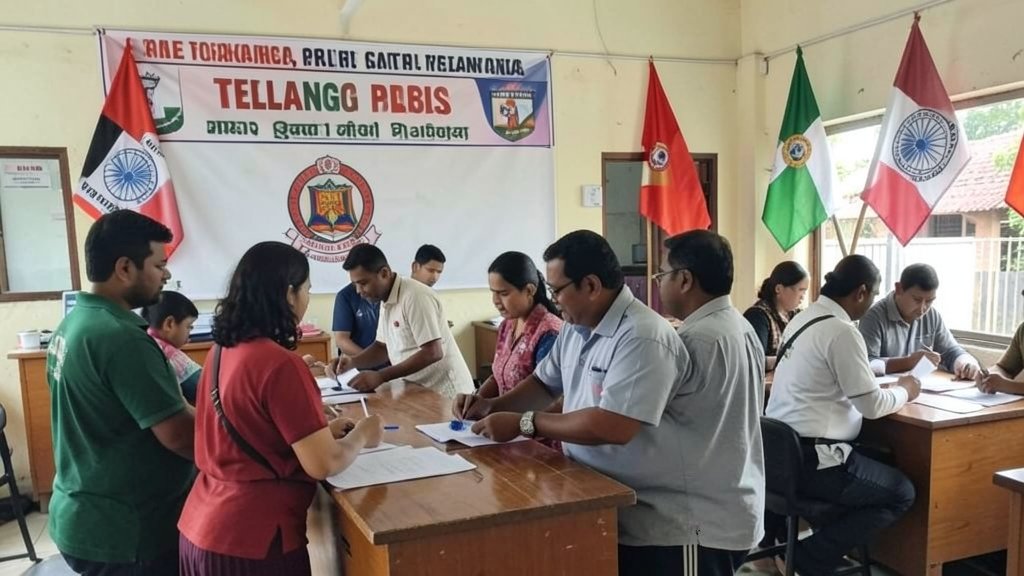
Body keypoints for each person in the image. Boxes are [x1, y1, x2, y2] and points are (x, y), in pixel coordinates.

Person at [453, 230, 703, 576]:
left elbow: (613, 426)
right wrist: (490, 405)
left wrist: (525, 422)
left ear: (590, 285)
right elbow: (543, 382)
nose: (553, 300)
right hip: (593, 495)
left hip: (654, 520)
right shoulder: (576, 326)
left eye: (557, 290)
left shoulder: (642, 336)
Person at [178, 241, 382, 575]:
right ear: (289, 294)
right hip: (253, 542)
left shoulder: (220, 351)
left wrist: (321, 433)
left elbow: (246, 430)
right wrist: (362, 434)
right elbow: (324, 463)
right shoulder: (280, 364)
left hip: (201, 527)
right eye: (307, 290)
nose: (307, 299)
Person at [46, 210, 195, 575]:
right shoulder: (121, 338)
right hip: (125, 532)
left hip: (82, 511)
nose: (167, 274)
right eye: (159, 264)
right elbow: (181, 436)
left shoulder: (75, 322)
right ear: (125, 267)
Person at [766, 255, 920, 575]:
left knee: (877, 462)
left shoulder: (803, 318)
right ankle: (811, 556)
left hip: (781, 459)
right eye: (874, 296)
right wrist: (906, 390)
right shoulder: (842, 331)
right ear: (861, 292)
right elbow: (872, 405)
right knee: (901, 492)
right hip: (817, 463)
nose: (872, 303)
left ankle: (820, 547)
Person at [654, 230, 766, 575]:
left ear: (684, 279)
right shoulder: (739, 326)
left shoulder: (693, 341)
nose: (658, 285)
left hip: (699, 520)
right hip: (731, 498)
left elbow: (644, 417)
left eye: (661, 275)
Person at [334, 244, 474, 398]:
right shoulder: (385, 299)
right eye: (355, 284)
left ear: (384, 273)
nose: (359, 291)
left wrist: (381, 376)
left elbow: (433, 352)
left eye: (363, 283)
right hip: (419, 391)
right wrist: (353, 363)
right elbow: (382, 348)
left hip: (447, 394)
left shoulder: (415, 296)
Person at [476, 251, 563, 447]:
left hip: (538, 440)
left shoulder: (550, 332)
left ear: (529, 290)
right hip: (503, 434)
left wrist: (519, 424)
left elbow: (551, 395)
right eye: (493, 292)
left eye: (504, 293)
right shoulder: (508, 325)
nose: (496, 300)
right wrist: (477, 400)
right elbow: (499, 375)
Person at [858, 263, 980, 379]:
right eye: (917, 299)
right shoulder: (873, 317)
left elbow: (951, 351)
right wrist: (908, 362)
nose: (922, 309)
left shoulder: (931, 315)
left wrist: (965, 363)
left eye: (929, 301)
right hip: (886, 395)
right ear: (899, 289)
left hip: (922, 393)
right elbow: (865, 364)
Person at [743, 261, 808, 371]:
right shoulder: (758, 316)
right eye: (800, 290)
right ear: (779, 289)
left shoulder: (797, 315)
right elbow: (754, 360)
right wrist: (792, 359)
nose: (803, 297)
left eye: (805, 292)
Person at [142, 290, 202, 404]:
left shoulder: (144, 341)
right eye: (189, 326)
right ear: (169, 324)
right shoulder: (169, 354)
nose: (190, 331)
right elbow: (203, 386)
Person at [978, 291, 1024, 394]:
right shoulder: (1023, 330)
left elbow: (1006, 384)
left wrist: (1006, 385)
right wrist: (987, 376)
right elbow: (1004, 368)